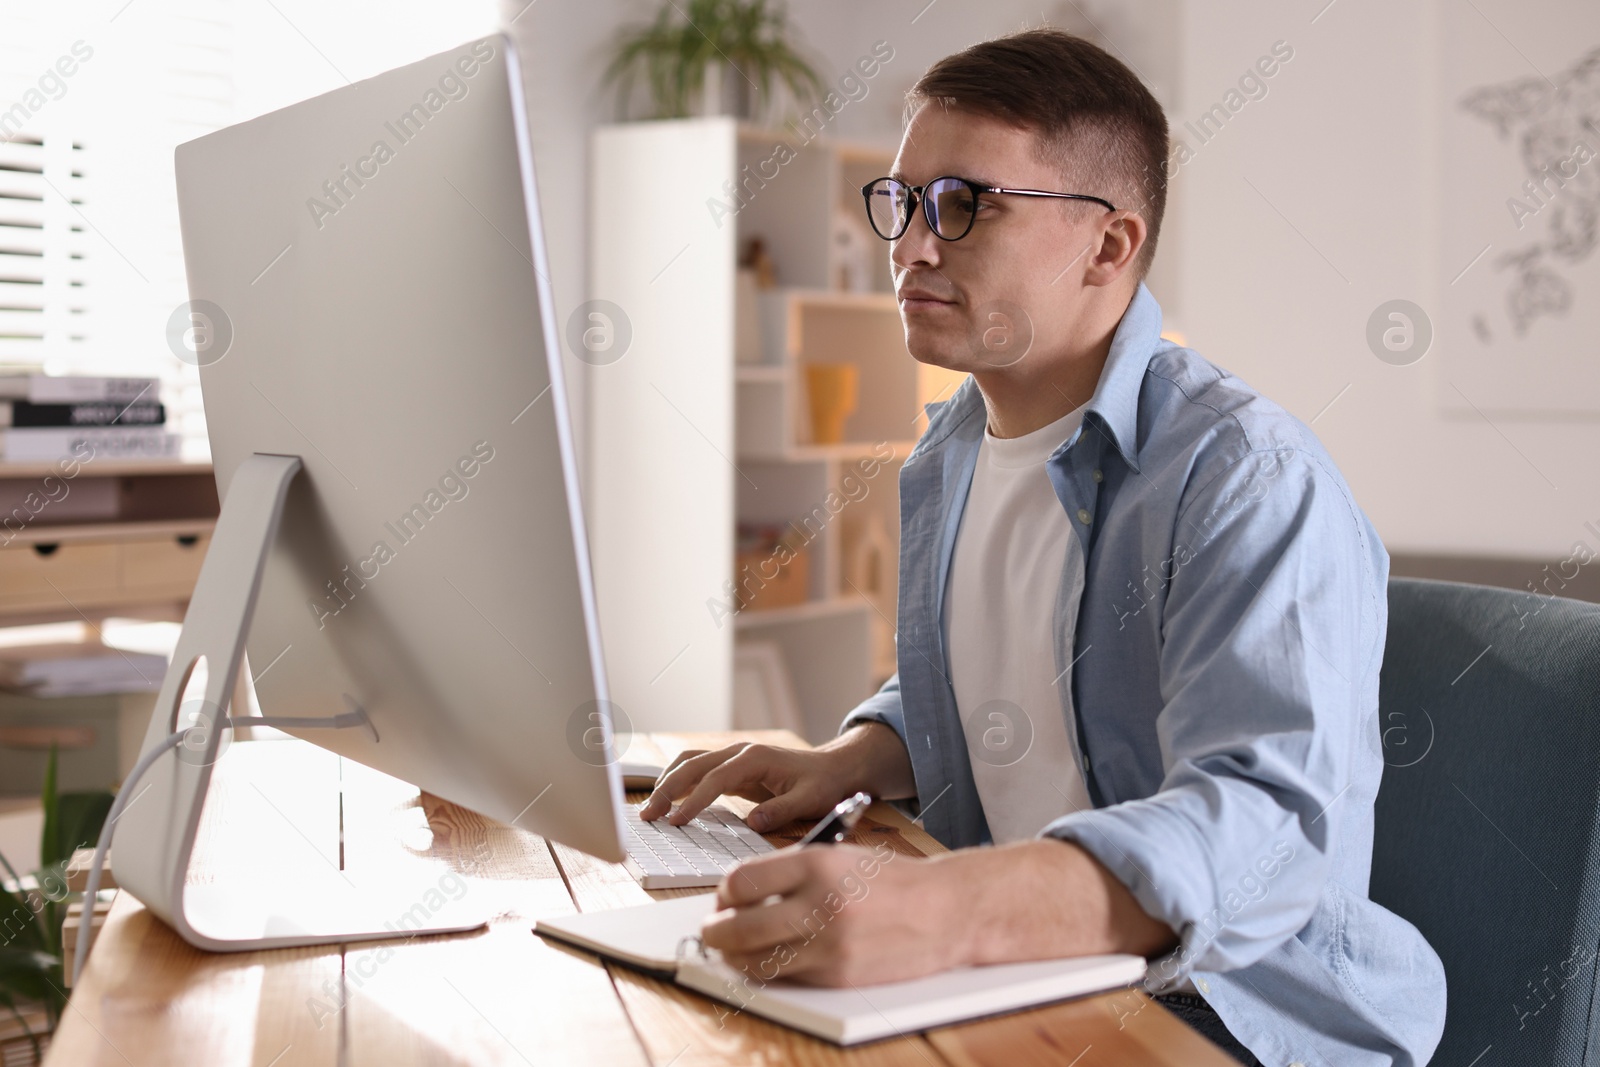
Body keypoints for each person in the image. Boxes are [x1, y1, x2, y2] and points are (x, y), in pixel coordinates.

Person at [640, 28, 1446, 1067]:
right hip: (1033, 970)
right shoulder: (952, 447)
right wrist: (854, 755)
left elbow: (1265, 830)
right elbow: (1003, 673)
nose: (912, 247)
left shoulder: (1245, 474)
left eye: (963, 206)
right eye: (902, 201)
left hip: (1228, 1014)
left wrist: (946, 911)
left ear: (1108, 246)